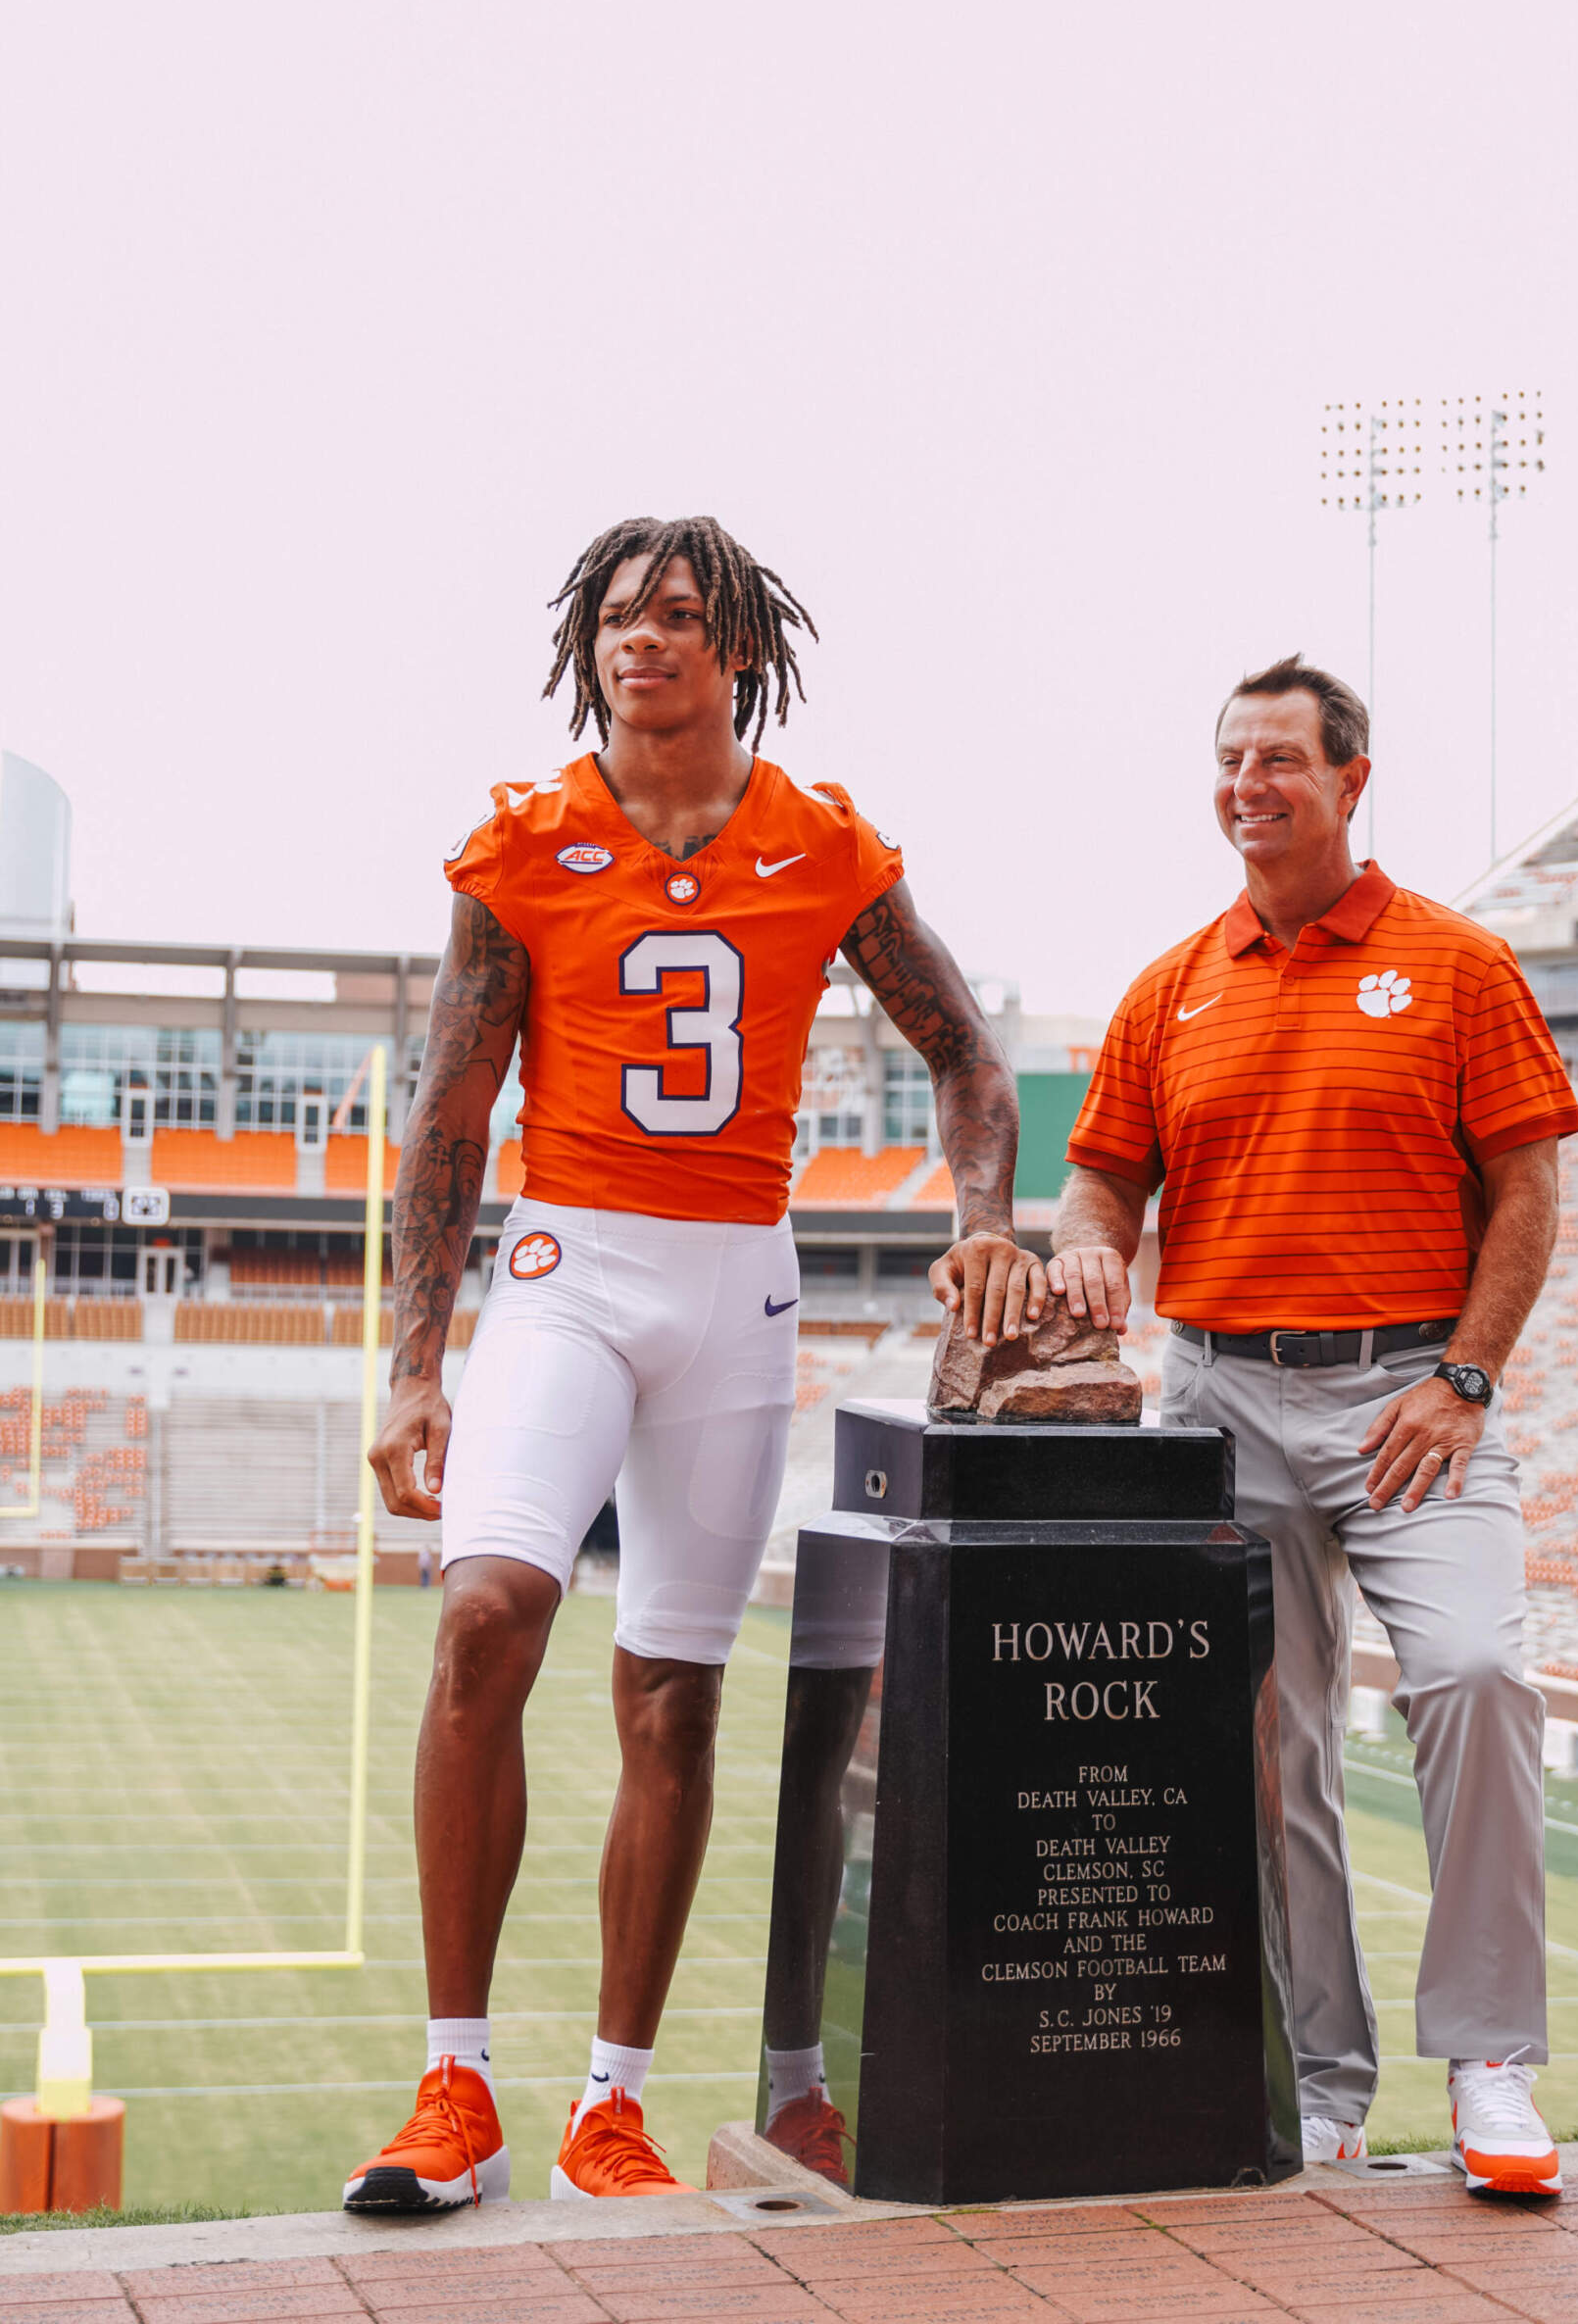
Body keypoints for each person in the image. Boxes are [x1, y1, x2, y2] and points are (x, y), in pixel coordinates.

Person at [344, 515, 1046, 2210]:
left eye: (673, 614)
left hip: (736, 1282)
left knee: (673, 1692)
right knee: (486, 1612)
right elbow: (450, 1113)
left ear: (738, 647)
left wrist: (983, 1218)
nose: (637, 640)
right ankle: (454, 2085)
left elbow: (967, 1053)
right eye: (615, 616)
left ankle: (613, 2107)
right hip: (567, 1267)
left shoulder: (821, 841)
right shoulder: (523, 844)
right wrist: (415, 1364)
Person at [1048, 656, 1578, 2197]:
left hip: (1412, 1392)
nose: (1248, 785)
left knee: (1476, 1672)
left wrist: (1465, 1377)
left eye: (1279, 757)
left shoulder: (1459, 965)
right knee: (1269, 1745)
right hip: (1221, 1394)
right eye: (1230, 759)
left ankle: (1491, 2062)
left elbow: (1531, 1190)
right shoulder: (1171, 985)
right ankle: (1320, 2082)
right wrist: (1089, 1244)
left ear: (1351, 778)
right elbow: (1103, 1180)